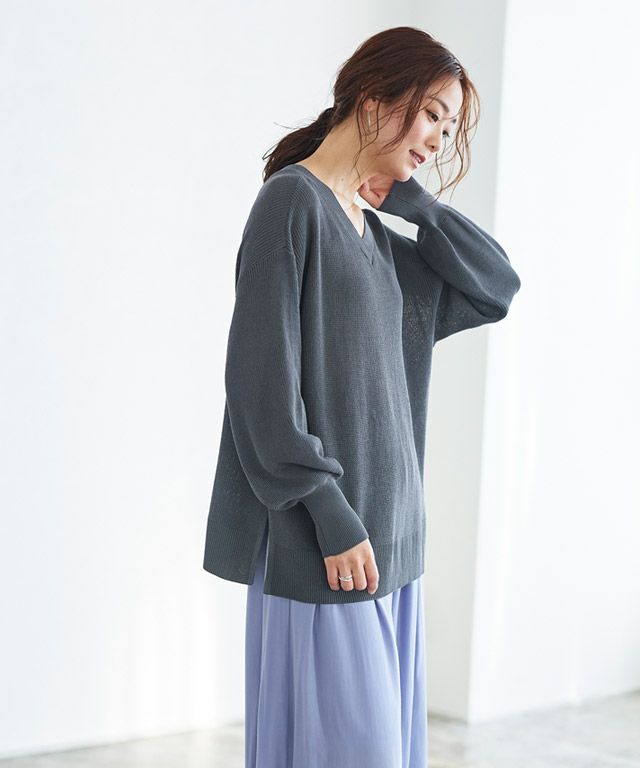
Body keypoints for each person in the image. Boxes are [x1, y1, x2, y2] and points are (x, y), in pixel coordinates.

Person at [203, 25, 522, 768]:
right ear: (375, 98)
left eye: (449, 125)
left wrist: (419, 207)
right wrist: (329, 511)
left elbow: (497, 287)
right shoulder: (292, 204)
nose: (439, 138)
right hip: (327, 546)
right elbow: (259, 386)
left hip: (393, 545)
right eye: (432, 114)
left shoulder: (378, 242)